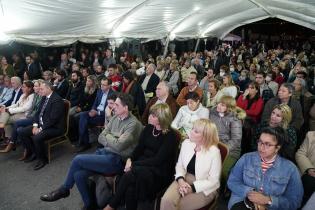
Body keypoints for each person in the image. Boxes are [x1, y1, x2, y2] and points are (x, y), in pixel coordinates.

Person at [40, 93, 143, 210]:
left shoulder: (133, 124)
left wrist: (109, 136)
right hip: (105, 154)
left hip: (118, 160)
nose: (113, 107)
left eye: (117, 105)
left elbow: (119, 146)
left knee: (78, 159)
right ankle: (89, 205)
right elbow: (100, 136)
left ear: (126, 108)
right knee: (78, 175)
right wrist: (115, 137)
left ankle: (65, 189)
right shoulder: (115, 117)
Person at [103, 103, 178, 210]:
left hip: (158, 171)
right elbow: (139, 148)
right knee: (130, 187)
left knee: (129, 175)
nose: (149, 117)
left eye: (153, 115)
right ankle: (113, 205)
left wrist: (133, 164)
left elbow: (158, 160)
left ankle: (111, 205)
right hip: (143, 165)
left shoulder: (171, 136)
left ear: (162, 118)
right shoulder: (148, 129)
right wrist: (130, 159)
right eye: (150, 114)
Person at [227, 127, 303, 210]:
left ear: (277, 148)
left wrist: (268, 200)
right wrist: (251, 193)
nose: (261, 147)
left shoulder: (290, 169)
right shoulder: (246, 158)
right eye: (260, 142)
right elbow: (232, 181)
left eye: (267, 144)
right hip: (242, 201)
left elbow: (295, 201)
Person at [160, 119, 221, 210]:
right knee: (166, 201)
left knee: (179, 206)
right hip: (185, 177)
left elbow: (213, 181)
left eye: (196, 131)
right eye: (192, 129)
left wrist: (192, 188)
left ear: (205, 136)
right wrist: (181, 180)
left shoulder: (214, 152)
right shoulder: (186, 143)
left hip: (206, 187)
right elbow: (180, 165)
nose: (190, 132)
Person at [18, 81, 65, 170]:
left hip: (54, 127)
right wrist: (35, 125)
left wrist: (40, 129)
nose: (40, 90)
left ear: (49, 88)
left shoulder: (57, 100)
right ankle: (35, 153)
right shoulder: (44, 97)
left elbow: (53, 119)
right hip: (41, 124)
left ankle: (43, 160)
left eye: (42, 89)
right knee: (21, 131)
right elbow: (37, 113)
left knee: (37, 137)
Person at [209, 95, 246, 183]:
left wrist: (222, 149)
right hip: (213, 146)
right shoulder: (212, 113)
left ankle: (223, 190)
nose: (218, 106)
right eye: (218, 103)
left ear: (229, 108)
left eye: (222, 105)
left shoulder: (235, 119)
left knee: (222, 171)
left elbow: (235, 141)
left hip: (230, 150)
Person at [76, 78, 114, 152]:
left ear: (109, 86)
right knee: (83, 115)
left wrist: (98, 113)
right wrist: (93, 109)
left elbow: (111, 111)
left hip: (104, 116)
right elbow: (95, 103)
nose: (101, 86)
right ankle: (84, 142)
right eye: (101, 84)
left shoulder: (113, 94)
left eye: (104, 85)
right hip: (96, 112)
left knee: (83, 120)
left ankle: (84, 143)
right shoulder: (99, 91)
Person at [0, 80, 34, 152]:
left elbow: (25, 108)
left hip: (24, 115)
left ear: (30, 88)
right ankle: (10, 141)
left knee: (5, 116)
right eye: (22, 87)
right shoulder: (23, 95)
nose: (22, 88)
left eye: (24, 87)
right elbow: (16, 104)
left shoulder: (32, 96)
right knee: (5, 114)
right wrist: (7, 108)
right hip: (18, 113)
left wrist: (9, 110)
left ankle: (11, 142)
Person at [296, 131, 315, 205]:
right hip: (308, 174)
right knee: (308, 181)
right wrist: (309, 169)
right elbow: (300, 154)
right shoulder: (311, 135)